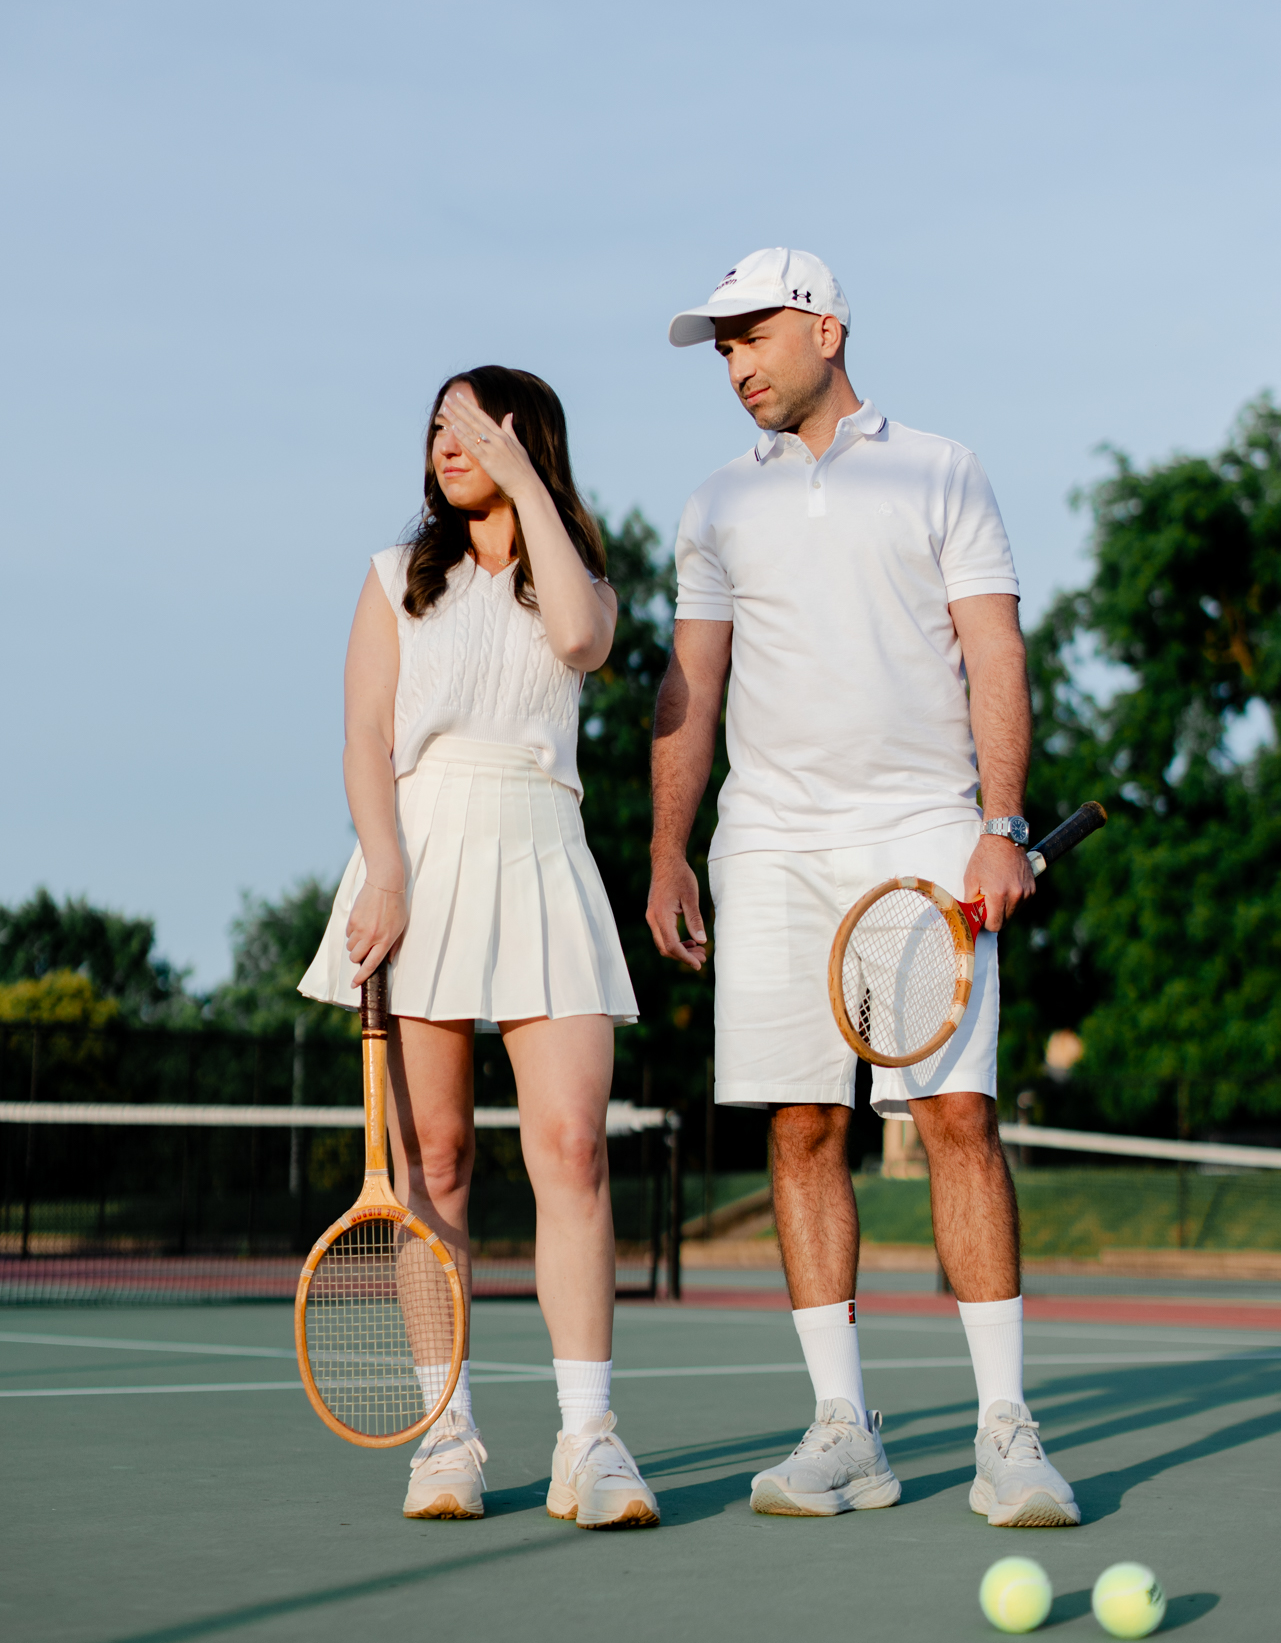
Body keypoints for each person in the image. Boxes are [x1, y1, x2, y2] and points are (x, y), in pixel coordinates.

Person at [647, 248, 1079, 1529]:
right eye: (719, 347)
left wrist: (999, 824)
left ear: (828, 327)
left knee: (954, 1118)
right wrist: (670, 848)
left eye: (753, 335)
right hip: (769, 842)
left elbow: (994, 647)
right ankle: (847, 1430)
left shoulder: (941, 466)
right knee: (800, 1129)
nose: (735, 365)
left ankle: (1008, 1429)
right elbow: (690, 689)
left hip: (921, 832)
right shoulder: (713, 505)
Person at [301, 366, 659, 1530]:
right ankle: (444, 1435)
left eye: (469, 423)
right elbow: (364, 742)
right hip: (422, 857)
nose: (443, 440)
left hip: (545, 848)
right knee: (435, 1169)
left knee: (573, 1149)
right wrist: (388, 868)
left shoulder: (578, 574)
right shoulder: (390, 581)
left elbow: (579, 640)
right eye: (435, 425)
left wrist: (525, 492)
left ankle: (590, 1443)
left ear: (522, 437)